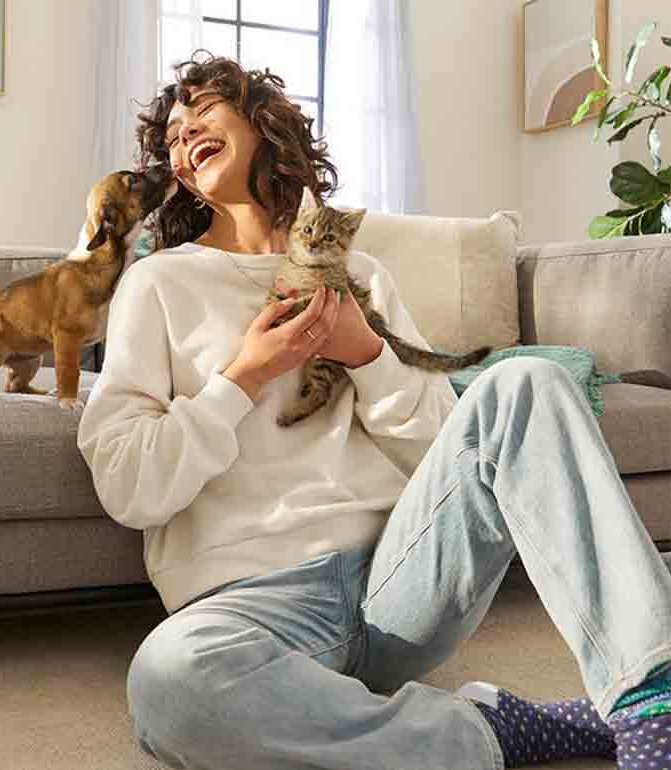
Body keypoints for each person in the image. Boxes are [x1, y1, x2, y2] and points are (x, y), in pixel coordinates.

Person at [77, 51, 671, 770]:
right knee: (168, 685)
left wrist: (367, 354)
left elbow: (439, 455)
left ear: (262, 123)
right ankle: (493, 732)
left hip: (400, 582)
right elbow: (127, 484)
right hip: (251, 610)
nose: (183, 135)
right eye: (171, 134)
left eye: (202, 111)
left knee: (529, 385)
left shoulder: (361, 276)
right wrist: (243, 374)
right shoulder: (158, 286)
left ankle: (652, 699)